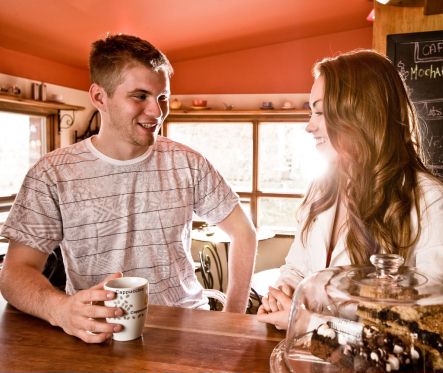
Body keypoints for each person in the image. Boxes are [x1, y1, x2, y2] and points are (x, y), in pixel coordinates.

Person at [0, 34, 257, 343]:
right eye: (140, 96)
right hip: (96, 334)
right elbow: (15, 272)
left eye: (162, 97)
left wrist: (233, 319)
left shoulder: (189, 163)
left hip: (186, 327)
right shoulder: (51, 174)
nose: (157, 112)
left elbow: (244, 232)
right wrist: (61, 309)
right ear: (99, 97)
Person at [256, 49, 443, 330]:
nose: (309, 126)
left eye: (320, 112)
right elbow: (296, 268)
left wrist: (310, 323)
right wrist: (283, 293)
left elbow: (435, 319)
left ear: (361, 115)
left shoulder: (428, 198)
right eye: (310, 112)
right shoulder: (321, 186)